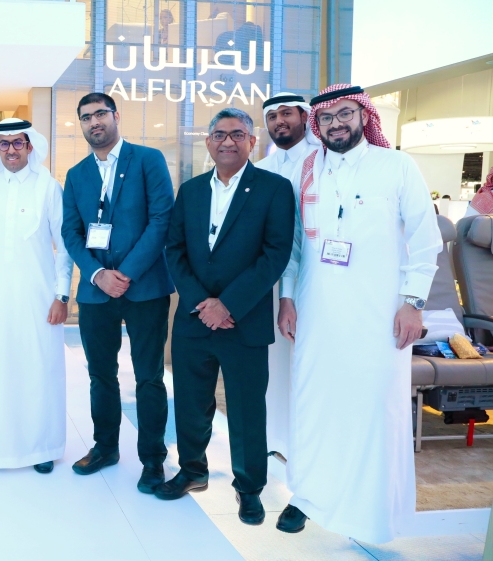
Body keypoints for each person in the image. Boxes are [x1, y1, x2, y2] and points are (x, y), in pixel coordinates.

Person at [276, 84, 442, 542]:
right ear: (317, 125)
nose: (336, 124)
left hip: (379, 313)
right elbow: (294, 244)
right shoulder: (306, 170)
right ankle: (308, 495)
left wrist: (413, 303)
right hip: (316, 309)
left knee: (373, 407)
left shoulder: (396, 166)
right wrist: (287, 297)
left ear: (364, 116)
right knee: (315, 402)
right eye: (326, 118)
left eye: (345, 114)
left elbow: (425, 241)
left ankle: (369, 512)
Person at [157, 108, 294, 526]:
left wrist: (228, 305)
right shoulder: (191, 190)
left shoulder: (274, 189)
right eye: (219, 134)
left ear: (252, 142)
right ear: (208, 142)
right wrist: (203, 302)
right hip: (194, 319)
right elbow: (174, 250)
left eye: (237, 134)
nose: (227, 141)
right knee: (191, 402)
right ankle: (193, 471)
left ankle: (249, 489)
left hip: (244, 321)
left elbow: (275, 254)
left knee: (247, 409)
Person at [60, 92, 175, 494]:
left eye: (100, 114)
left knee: (149, 377)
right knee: (100, 375)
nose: (94, 122)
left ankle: (153, 460)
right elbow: (71, 232)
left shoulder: (147, 160)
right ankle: (105, 447)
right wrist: (97, 275)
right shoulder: (76, 174)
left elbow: (161, 219)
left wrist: (124, 273)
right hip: (96, 293)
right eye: (86, 117)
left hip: (145, 287)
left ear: (116, 115)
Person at [0, 118, 74, 474]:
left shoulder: (49, 187)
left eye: (18, 143)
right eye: (4, 143)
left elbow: (64, 246)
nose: (11, 150)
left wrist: (61, 295)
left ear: (30, 146)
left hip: (39, 297)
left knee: (39, 368)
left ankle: (41, 448)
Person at [254, 92, 320, 462]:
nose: (280, 121)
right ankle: (274, 437)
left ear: (304, 117)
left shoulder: (322, 159)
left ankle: (305, 444)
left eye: (287, 114)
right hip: (272, 278)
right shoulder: (262, 167)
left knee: (307, 360)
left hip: (316, 277)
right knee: (274, 361)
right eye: (272, 116)